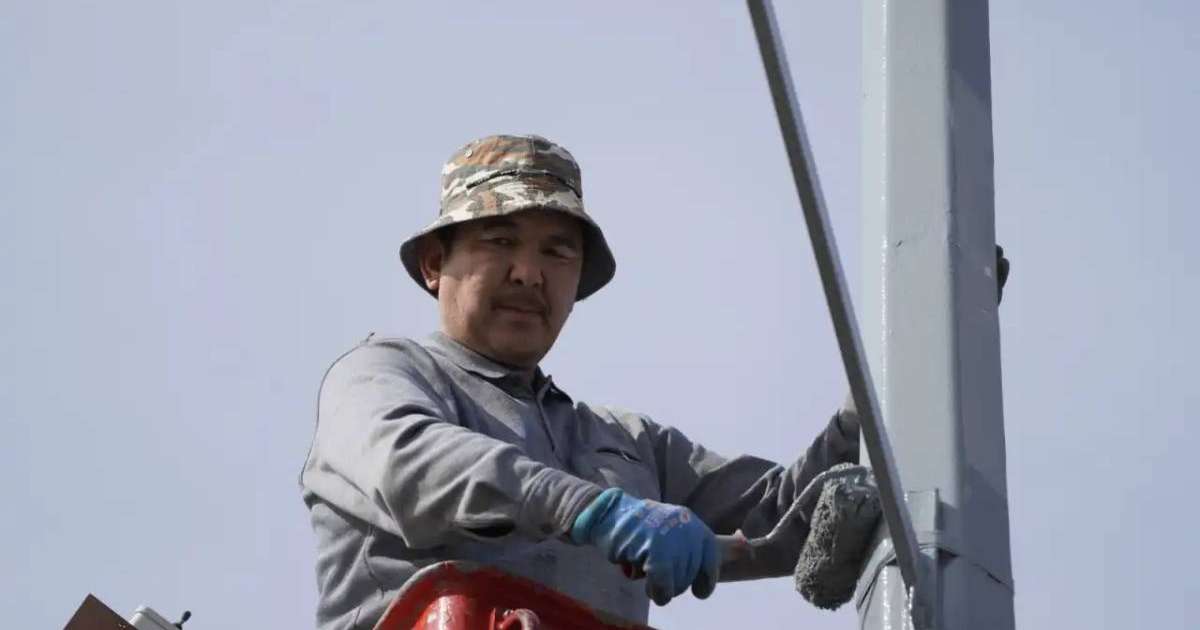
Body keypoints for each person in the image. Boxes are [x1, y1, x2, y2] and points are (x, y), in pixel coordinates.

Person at [299, 134, 867, 629]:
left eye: (557, 251)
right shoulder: (383, 374)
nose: (528, 272)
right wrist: (595, 512)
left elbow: (788, 519)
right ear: (433, 263)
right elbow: (413, 468)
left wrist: (872, 410)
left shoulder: (630, 445)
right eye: (499, 241)